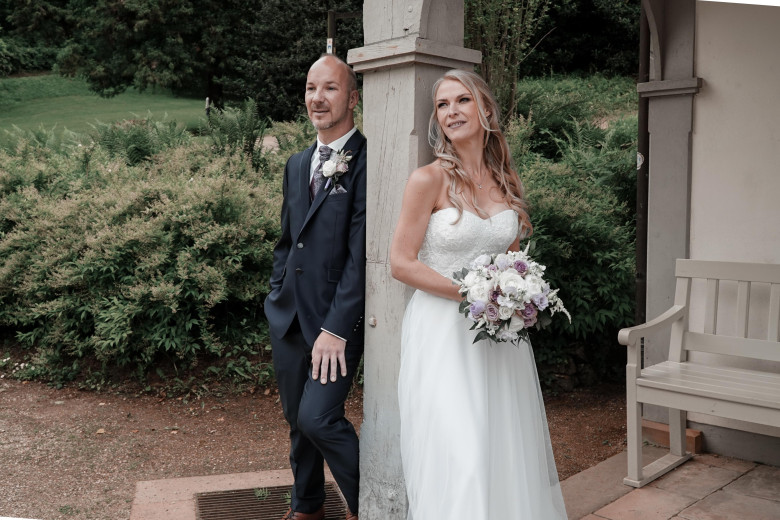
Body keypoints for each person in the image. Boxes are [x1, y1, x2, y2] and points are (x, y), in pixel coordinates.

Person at [390, 69, 568, 519]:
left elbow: (511, 259)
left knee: (501, 448)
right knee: (461, 453)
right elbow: (401, 263)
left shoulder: (506, 179)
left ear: (485, 108)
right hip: (442, 335)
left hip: (498, 338)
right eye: (442, 105)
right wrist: (473, 296)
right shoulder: (427, 180)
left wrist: (518, 296)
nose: (451, 111)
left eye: (462, 100)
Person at [264, 54, 366, 520]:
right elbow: (288, 240)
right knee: (295, 419)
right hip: (288, 316)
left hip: (335, 322)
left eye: (329, 88)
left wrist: (337, 327)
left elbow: (361, 255)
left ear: (352, 98)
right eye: (311, 88)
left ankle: (370, 506)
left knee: (318, 417)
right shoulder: (297, 162)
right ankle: (307, 507)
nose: (317, 98)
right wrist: (276, 294)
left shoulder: (367, 160)